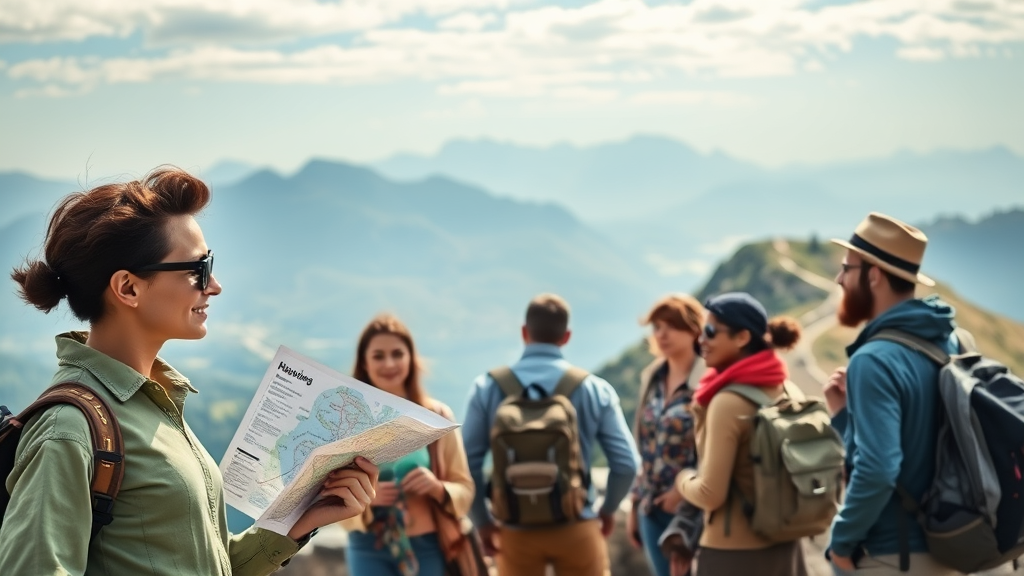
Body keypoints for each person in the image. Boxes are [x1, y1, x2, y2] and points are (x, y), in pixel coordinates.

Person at [0, 167, 378, 575]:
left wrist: (303, 518)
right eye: (198, 269)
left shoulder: (153, 404)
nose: (214, 285)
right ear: (128, 288)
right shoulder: (68, 429)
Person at [461, 293, 639, 576]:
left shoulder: (486, 387)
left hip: (514, 529)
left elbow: (467, 464)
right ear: (566, 336)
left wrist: (482, 522)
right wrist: (606, 512)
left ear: (524, 332)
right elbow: (627, 464)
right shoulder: (594, 389)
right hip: (577, 525)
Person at [824, 212, 961, 575]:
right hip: (950, 547)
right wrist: (844, 417)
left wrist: (840, 543)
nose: (839, 279)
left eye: (846, 268)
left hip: (892, 555)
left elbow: (879, 469)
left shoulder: (873, 361)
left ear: (874, 275)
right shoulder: (951, 340)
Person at [673, 292, 807, 576]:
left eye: (710, 332)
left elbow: (710, 494)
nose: (701, 341)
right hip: (786, 548)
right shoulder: (786, 390)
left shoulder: (728, 402)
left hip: (733, 555)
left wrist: (682, 480)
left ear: (743, 338)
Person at [340, 313, 474, 576]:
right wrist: (367, 497)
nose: (389, 363)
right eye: (378, 355)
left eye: (397, 354)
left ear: (411, 359)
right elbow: (325, 492)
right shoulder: (346, 420)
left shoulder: (437, 417)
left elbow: (465, 489)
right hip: (367, 545)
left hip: (428, 545)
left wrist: (437, 488)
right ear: (364, 363)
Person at [627, 294, 706, 576]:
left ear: (694, 329)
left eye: (671, 326)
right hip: (651, 507)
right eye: (656, 327)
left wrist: (681, 492)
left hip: (692, 510)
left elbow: (715, 452)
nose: (662, 334)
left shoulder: (706, 381)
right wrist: (635, 504)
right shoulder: (652, 378)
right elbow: (644, 449)